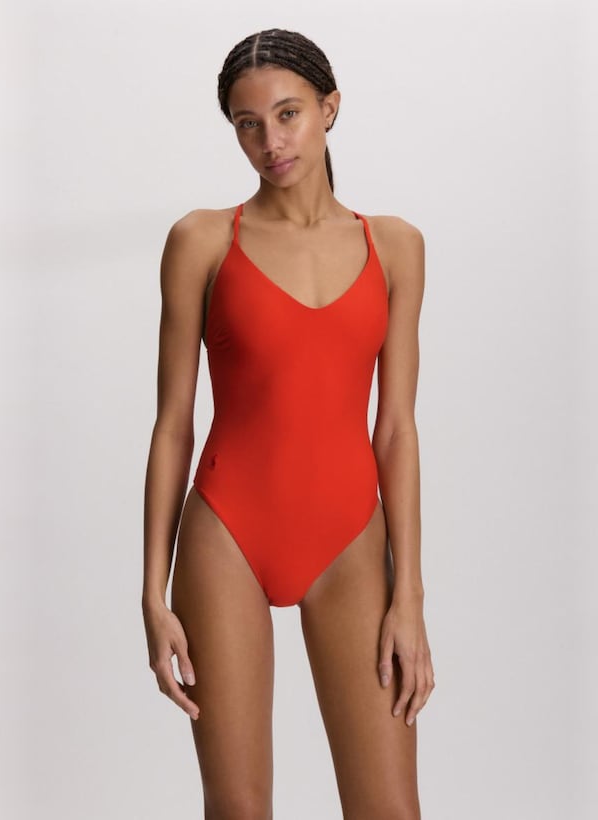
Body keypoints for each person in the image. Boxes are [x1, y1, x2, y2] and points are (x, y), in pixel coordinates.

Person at [142, 27, 435, 820]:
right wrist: (151, 594)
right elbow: (173, 425)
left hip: (349, 540)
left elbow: (396, 430)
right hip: (226, 534)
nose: (270, 142)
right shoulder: (202, 240)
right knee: (237, 809)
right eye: (247, 124)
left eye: (287, 114)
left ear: (329, 108)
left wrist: (408, 598)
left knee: (388, 810)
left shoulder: (395, 247)